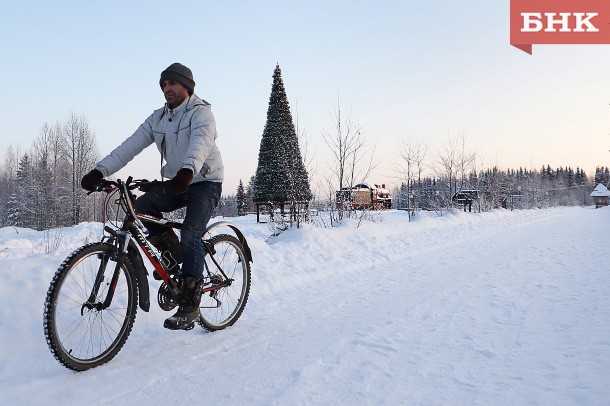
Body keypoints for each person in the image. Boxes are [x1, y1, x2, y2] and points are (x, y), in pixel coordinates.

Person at [81, 63, 223, 330]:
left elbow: (200, 144)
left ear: (187, 87)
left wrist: (187, 172)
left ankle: (190, 301)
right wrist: (99, 170)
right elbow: (129, 146)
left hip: (204, 181)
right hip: (180, 181)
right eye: (164, 85)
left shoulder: (201, 113)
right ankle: (175, 257)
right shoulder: (158, 119)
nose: (167, 88)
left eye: (173, 83)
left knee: (192, 232)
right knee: (143, 206)